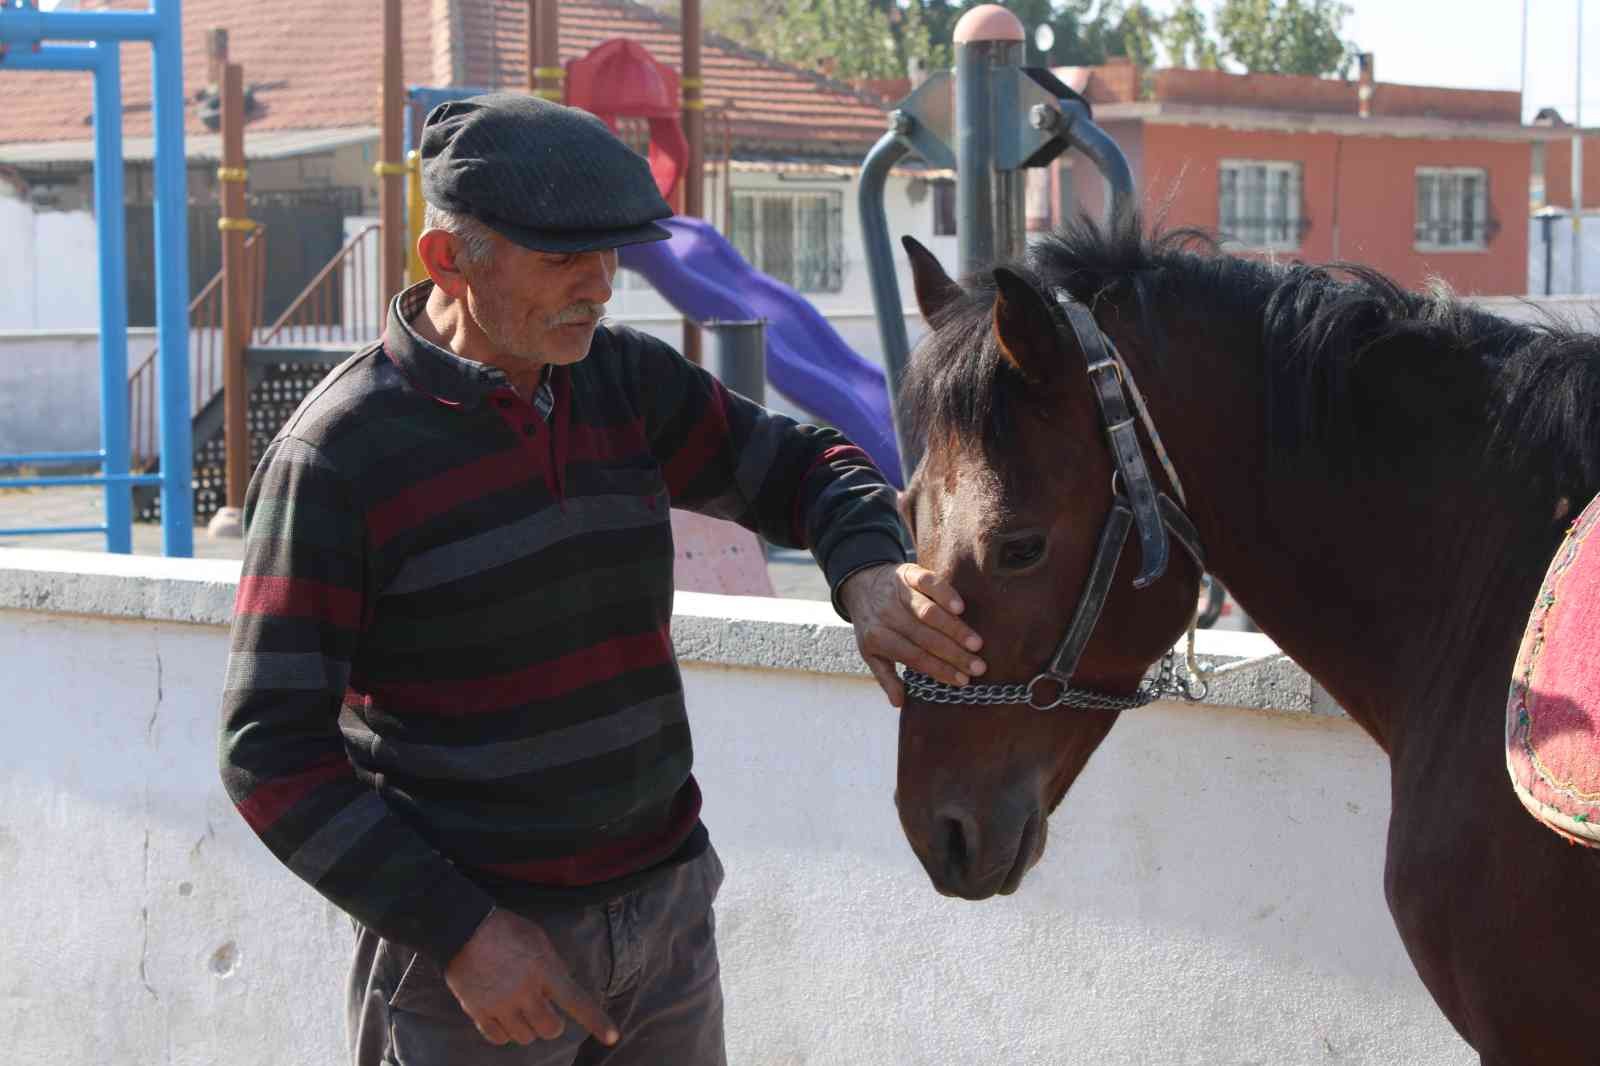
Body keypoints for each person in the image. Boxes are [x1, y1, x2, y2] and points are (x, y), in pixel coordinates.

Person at [218, 92, 987, 1066]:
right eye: (561, 258)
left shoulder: (619, 380)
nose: (599, 287)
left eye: (609, 254)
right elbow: (268, 751)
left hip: (663, 925)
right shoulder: (337, 456)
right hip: (477, 967)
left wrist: (870, 573)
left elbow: (808, 466)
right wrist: (460, 932)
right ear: (449, 259)